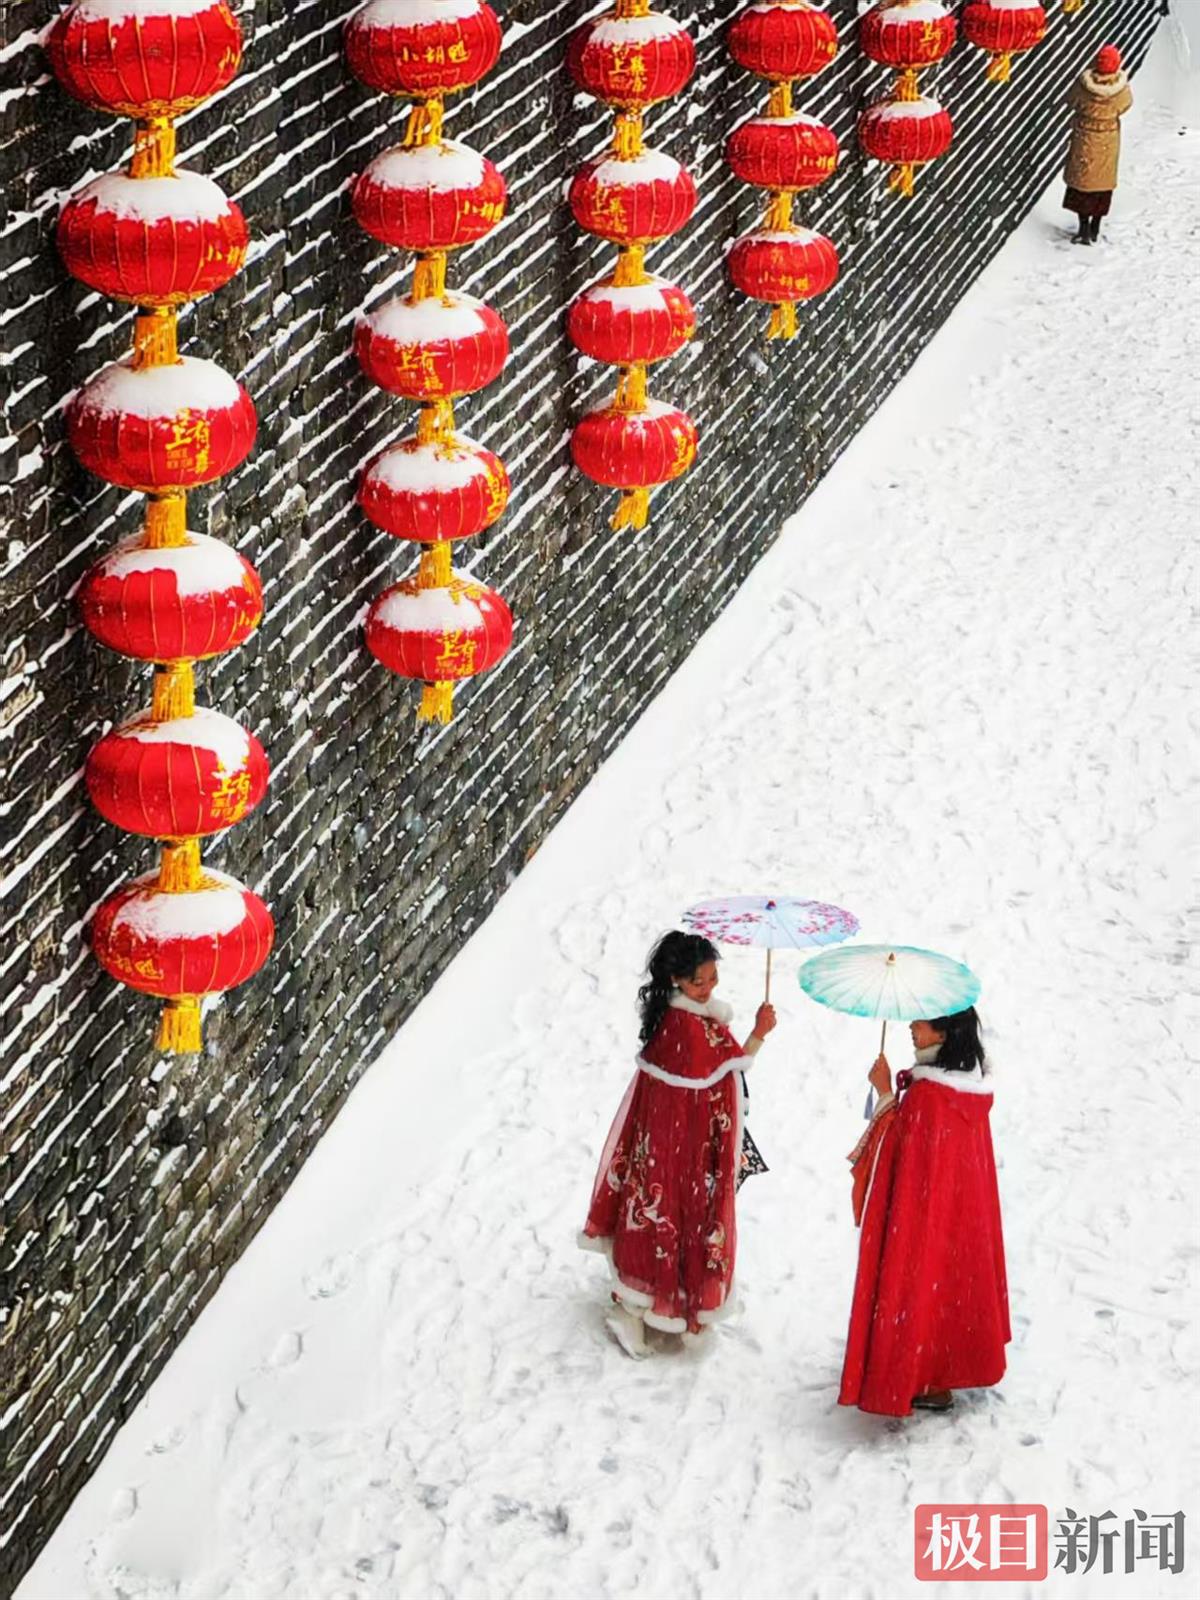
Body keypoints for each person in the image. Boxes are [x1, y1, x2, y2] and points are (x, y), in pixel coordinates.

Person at [580, 930, 777, 1357]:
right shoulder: (688, 1031)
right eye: (699, 982)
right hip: (678, 1149)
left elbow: (719, 1069)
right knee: (673, 1218)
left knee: (656, 1219)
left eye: (712, 979)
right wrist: (759, 1035)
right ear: (677, 981)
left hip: (666, 1147)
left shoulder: (682, 1024)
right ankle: (637, 1307)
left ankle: (645, 1301)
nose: (708, 989)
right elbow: (728, 1070)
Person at [838, 1007, 1010, 1415]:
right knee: (947, 1280)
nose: (911, 1027)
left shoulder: (931, 1096)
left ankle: (915, 1372)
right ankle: (937, 1369)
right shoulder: (969, 1089)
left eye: (921, 1022)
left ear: (945, 1033)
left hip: (924, 1214)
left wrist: (883, 1093)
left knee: (917, 1278)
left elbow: (897, 1148)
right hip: (958, 1212)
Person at [1063, 44, 1134, 244]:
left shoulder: (1083, 85)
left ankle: (1083, 228)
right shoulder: (1121, 89)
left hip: (1085, 136)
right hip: (1108, 139)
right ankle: (1095, 227)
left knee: (1083, 182)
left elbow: (1071, 99)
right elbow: (1127, 104)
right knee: (1101, 182)